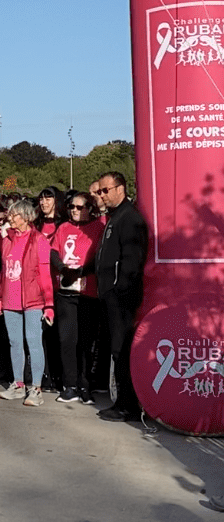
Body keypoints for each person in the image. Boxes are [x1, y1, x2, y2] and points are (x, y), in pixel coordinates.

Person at [93, 172, 148, 421]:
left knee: (122, 350)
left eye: (105, 190)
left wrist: (119, 290)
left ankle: (128, 404)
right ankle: (122, 400)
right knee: (116, 350)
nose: (102, 195)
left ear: (120, 188)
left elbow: (132, 262)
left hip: (120, 297)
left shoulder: (130, 218)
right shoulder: (116, 217)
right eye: (100, 191)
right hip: (110, 295)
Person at [0, 198, 54, 407]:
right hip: (11, 299)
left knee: (33, 342)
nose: (11, 218)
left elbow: (45, 273)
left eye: (15, 215)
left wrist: (49, 304)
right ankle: (18, 385)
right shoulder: (7, 239)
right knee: (15, 343)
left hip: (33, 299)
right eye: (10, 214)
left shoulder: (39, 240)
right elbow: (3, 271)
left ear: (26, 217)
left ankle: (36, 388)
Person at [50, 192, 103, 405]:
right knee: (67, 340)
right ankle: (69, 385)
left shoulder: (98, 228)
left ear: (89, 208)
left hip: (88, 292)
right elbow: (53, 251)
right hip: (66, 292)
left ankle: (85, 385)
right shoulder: (63, 228)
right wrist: (63, 268)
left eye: (80, 207)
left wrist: (82, 271)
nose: (74, 210)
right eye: (72, 207)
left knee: (86, 342)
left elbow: (100, 256)